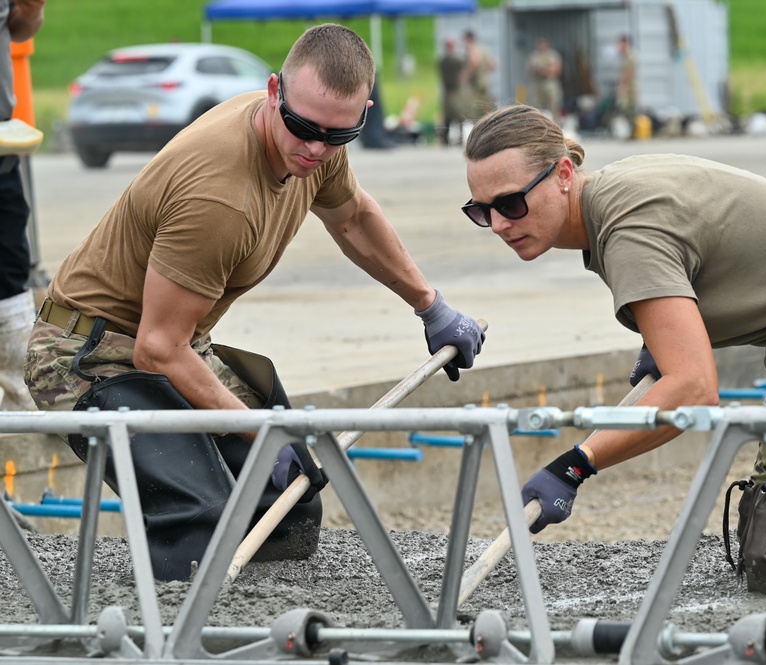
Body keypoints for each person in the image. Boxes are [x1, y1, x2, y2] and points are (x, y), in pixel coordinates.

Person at [23, 23, 486, 582]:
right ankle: (171, 632)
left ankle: (259, 619)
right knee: (202, 526)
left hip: (175, 341)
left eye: (338, 133)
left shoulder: (319, 138)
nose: (316, 148)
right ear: (274, 92)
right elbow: (157, 350)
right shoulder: (220, 199)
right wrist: (261, 432)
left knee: (288, 505)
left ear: (363, 110)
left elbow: (355, 218)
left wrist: (431, 306)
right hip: (89, 356)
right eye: (302, 127)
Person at [460, 105, 766, 596]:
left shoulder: (627, 225)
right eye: (482, 211)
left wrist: (574, 466)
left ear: (564, 173)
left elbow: (693, 390)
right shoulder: (612, 197)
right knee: (762, 531)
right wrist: (669, 337)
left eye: (511, 204)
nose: (500, 224)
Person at [0, 0, 44, 412]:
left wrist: (31, 7)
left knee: (12, 263)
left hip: (1, 146)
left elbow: (21, 29)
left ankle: (21, 400)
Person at [460, 30, 496, 121]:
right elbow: (492, 65)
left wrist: (465, 77)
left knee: (475, 109)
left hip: (476, 84)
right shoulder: (483, 48)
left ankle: (477, 129)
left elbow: (475, 62)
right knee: (485, 107)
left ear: (468, 39)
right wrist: (483, 72)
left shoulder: (472, 48)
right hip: (484, 82)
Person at [438, 36, 466, 146]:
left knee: (448, 117)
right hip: (454, 91)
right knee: (458, 115)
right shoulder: (451, 60)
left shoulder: (443, 60)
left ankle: (446, 139)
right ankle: (458, 137)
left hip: (448, 91)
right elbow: (463, 62)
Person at [526, 37, 562, 120]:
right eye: (539, 44)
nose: (541, 46)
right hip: (537, 84)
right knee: (536, 105)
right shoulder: (533, 56)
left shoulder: (553, 55)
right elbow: (530, 70)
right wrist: (543, 70)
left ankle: (555, 122)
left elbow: (556, 70)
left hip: (549, 83)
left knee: (553, 104)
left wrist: (543, 71)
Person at [614, 35, 637, 136]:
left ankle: (633, 132)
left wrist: (623, 87)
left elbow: (629, 73)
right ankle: (631, 132)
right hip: (628, 87)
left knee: (629, 109)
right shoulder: (624, 56)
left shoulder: (630, 56)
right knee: (626, 109)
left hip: (629, 88)